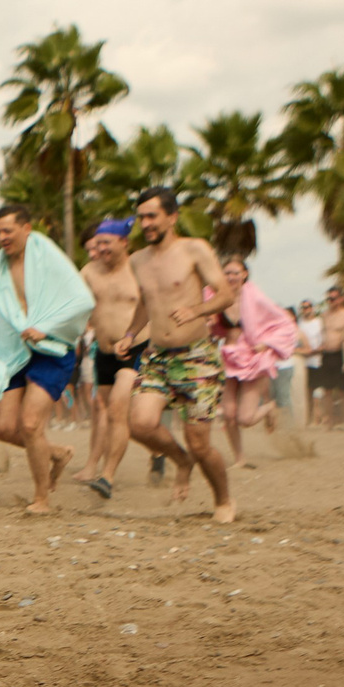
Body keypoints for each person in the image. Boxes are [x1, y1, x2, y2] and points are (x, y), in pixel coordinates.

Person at [0, 204, 95, 514]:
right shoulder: (0, 265)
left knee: (30, 425)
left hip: (52, 350)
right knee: (1, 427)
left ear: (26, 228)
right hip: (16, 351)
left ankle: (41, 498)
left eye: (8, 230)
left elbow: (81, 299)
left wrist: (46, 327)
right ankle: (56, 453)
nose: (2, 237)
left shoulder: (47, 256)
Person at [115, 186, 239, 521]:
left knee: (200, 444)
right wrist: (129, 334)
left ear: (172, 217)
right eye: (141, 217)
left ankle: (223, 500)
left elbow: (225, 295)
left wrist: (197, 310)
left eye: (152, 216)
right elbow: (146, 301)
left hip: (196, 358)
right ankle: (180, 461)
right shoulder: (138, 259)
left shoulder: (194, 250)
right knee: (140, 425)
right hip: (158, 357)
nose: (146, 223)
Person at [75, 219, 143, 498]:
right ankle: (158, 450)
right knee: (110, 412)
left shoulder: (139, 268)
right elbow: (71, 300)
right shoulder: (89, 272)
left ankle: (107, 476)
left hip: (135, 348)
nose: (99, 249)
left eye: (105, 243)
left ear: (123, 242)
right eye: (97, 243)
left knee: (117, 410)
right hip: (103, 352)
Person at [214, 257, 299, 464]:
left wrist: (268, 343)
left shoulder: (255, 297)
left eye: (235, 272)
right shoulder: (217, 296)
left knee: (244, 418)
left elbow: (284, 322)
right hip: (228, 356)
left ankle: (270, 408)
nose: (231, 276)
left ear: (244, 274)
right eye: (227, 272)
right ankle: (240, 457)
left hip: (251, 358)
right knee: (228, 413)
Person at [313, 289, 344, 428]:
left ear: (341, 299)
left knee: (343, 390)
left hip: (340, 354)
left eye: (334, 298)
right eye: (329, 299)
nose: (331, 301)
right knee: (327, 390)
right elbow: (322, 333)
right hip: (327, 354)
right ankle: (329, 420)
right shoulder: (324, 315)